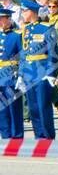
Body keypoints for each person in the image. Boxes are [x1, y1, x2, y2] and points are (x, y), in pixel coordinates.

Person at [0, 8, 23, 138]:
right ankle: (5, 136)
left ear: (9, 20)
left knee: (14, 108)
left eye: (3, 19)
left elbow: (23, 57)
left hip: (11, 76)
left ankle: (17, 137)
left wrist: (21, 75)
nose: (1, 21)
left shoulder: (16, 36)